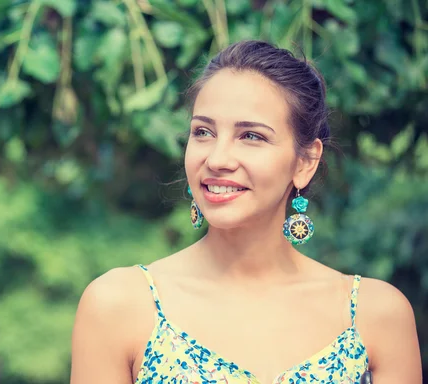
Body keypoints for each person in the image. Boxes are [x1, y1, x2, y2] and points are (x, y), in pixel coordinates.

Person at [70, 40, 422, 384]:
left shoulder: (373, 314)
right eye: (203, 132)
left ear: (305, 161)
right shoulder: (119, 305)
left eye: (251, 136)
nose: (218, 159)